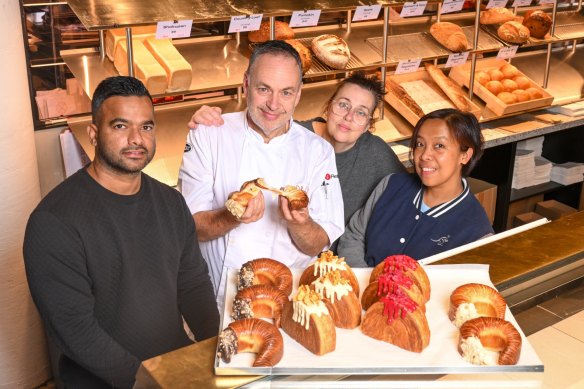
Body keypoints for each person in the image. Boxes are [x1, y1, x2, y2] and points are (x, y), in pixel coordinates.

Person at [23, 76, 219, 389]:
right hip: (107, 382)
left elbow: (192, 284)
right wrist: (151, 381)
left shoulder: (170, 203)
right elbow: (76, 330)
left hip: (177, 369)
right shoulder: (54, 222)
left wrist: (218, 354)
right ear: (93, 134)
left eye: (146, 126)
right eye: (120, 126)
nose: (136, 139)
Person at [178, 40, 344, 302]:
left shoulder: (318, 151)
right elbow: (191, 228)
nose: (273, 104)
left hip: (287, 300)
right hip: (217, 297)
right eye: (264, 89)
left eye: (286, 92)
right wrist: (231, 215)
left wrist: (299, 223)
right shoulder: (209, 134)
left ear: (299, 94)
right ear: (246, 84)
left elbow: (318, 243)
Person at [188, 71, 406, 227]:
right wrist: (209, 119)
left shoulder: (376, 153)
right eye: (343, 105)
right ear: (329, 106)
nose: (349, 117)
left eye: (360, 112)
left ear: (368, 124)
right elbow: (250, 126)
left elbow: (412, 195)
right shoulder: (291, 135)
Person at [337, 108, 494, 267]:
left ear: (465, 155)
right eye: (420, 144)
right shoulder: (390, 185)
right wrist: (365, 283)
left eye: (439, 145)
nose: (424, 155)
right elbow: (354, 236)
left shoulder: (477, 233)